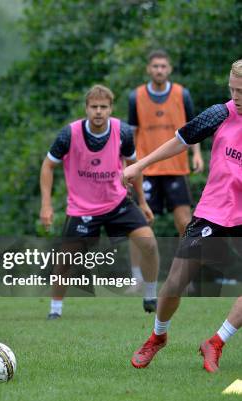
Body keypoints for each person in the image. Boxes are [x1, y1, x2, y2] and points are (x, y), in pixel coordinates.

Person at [126, 59, 242, 373]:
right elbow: (180, 140)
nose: (238, 97)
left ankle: (216, 342)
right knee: (176, 281)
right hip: (214, 210)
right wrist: (140, 165)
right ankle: (158, 336)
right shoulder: (220, 113)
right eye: (233, 90)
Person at [40, 85, 159, 319]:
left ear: (111, 109)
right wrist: (46, 204)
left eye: (103, 107)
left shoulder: (122, 132)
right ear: (86, 108)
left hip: (117, 202)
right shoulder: (69, 134)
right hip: (82, 208)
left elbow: (135, 167)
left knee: (150, 245)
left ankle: (150, 296)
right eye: (93, 107)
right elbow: (48, 165)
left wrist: (143, 202)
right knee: (66, 259)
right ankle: (55, 310)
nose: (98, 111)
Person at [126, 50, 204, 291]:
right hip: (147, 170)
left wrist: (197, 153)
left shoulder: (183, 94)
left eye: (163, 66)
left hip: (176, 168)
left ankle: (185, 275)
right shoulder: (135, 96)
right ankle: (137, 276)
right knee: (139, 224)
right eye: (155, 66)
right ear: (149, 69)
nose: (159, 70)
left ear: (169, 69)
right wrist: (129, 165)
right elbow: (132, 133)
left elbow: (194, 129)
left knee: (184, 222)